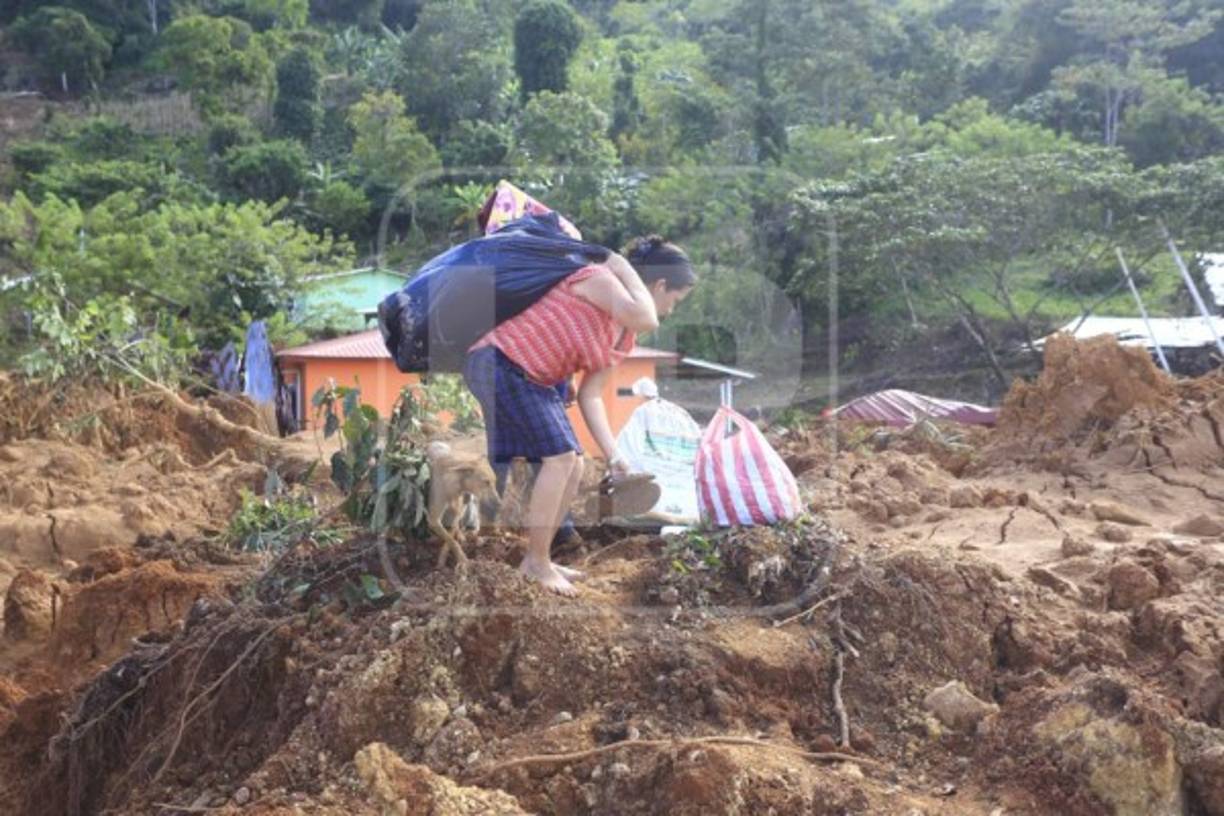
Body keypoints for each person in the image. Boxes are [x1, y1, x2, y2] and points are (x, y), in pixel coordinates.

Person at [463, 235, 696, 595]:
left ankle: (541, 557)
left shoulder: (624, 337)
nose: (670, 311)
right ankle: (535, 563)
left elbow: (591, 395)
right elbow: (648, 316)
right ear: (660, 284)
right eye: (674, 300)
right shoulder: (599, 279)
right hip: (498, 363)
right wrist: (619, 263)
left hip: (527, 377)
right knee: (560, 459)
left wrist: (615, 455)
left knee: (575, 462)